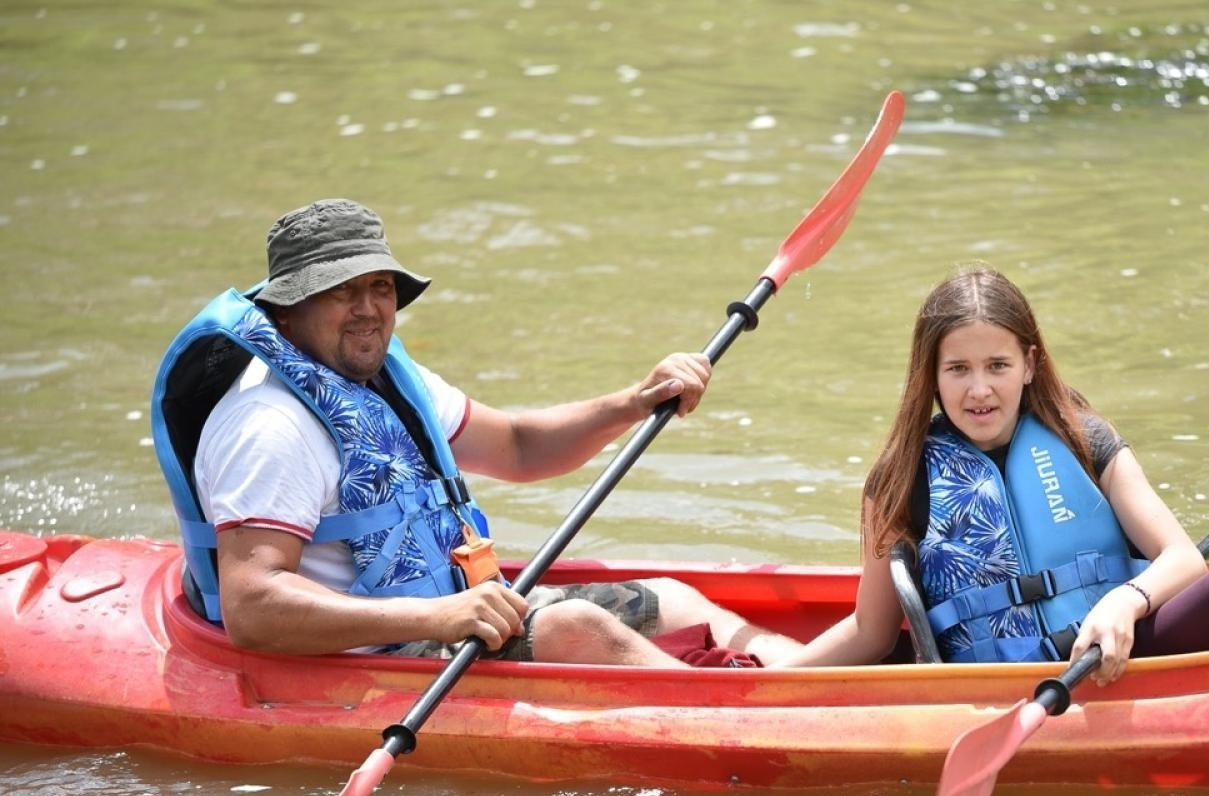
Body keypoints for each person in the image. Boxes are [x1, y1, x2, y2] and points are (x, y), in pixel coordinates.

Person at [152, 197, 799, 667]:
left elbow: (517, 446)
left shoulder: (385, 383)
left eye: (379, 287)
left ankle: (816, 681)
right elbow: (255, 608)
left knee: (676, 602)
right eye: (339, 292)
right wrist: (437, 616)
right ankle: (747, 724)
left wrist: (634, 401)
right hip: (366, 653)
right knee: (576, 625)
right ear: (286, 313)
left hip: (450, 608)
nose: (369, 309)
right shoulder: (268, 426)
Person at [770, 265, 1209, 677]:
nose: (980, 390)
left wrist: (1126, 599)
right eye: (958, 369)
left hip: (1129, 637)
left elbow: (1179, 559)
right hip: (1049, 677)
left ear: (1029, 363)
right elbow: (873, 633)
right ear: (931, 376)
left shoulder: (1078, 435)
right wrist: (769, 686)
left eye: (997, 366)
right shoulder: (900, 479)